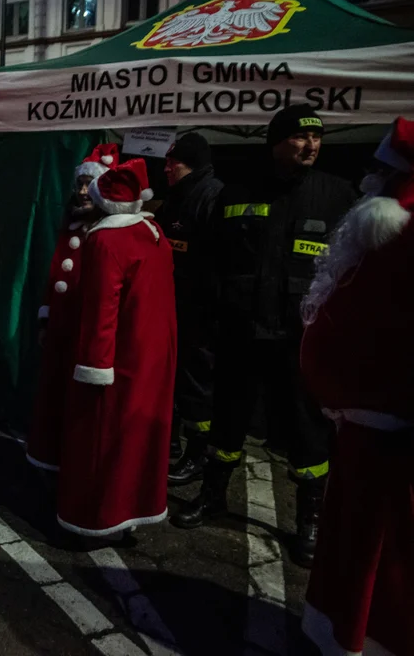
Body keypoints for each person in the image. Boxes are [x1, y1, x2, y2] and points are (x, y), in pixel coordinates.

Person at [172, 105, 359, 567]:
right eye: (299, 137)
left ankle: (309, 519)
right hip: (241, 334)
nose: (311, 145)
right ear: (275, 142)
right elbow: (212, 259)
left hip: (298, 340)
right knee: (228, 419)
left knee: (304, 430)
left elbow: (350, 273)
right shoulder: (236, 191)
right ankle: (213, 495)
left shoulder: (337, 195)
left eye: (317, 137)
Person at [298, 117, 414, 656]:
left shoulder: (398, 234)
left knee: (378, 555)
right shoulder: (384, 232)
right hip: (364, 425)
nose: (366, 177)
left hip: (388, 433)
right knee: (356, 546)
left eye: (377, 167)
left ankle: (360, 637)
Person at [57, 158, 176, 540]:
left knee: (101, 440)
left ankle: (95, 518)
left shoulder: (105, 240)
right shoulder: (154, 233)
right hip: (153, 356)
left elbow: (102, 309)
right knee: (137, 441)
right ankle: (132, 511)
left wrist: (94, 364)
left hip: (117, 360)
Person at [26, 143, 117, 473]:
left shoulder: (109, 233)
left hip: (89, 332)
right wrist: (46, 318)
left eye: (87, 184)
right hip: (63, 327)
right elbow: (56, 275)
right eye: (78, 184)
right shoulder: (73, 226)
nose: (81, 191)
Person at [154, 132, 224, 481]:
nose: (167, 169)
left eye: (172, 163)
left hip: (199, 310)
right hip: (177, 307)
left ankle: (198, 455)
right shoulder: (178, 197)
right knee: (178, 378)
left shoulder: (210, 196)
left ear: (189, 164)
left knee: (197, 383)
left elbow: (215, 261)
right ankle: (175, 443)